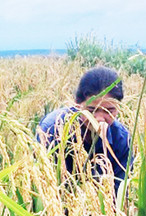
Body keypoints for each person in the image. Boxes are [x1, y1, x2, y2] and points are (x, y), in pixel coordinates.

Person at [37, 66, 130, 194]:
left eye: (110, 111)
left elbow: (119, 191)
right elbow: (42, 184)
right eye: (92, 110)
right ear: (77, 104)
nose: (100, 119)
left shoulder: (121, 138)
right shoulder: (52, 129)